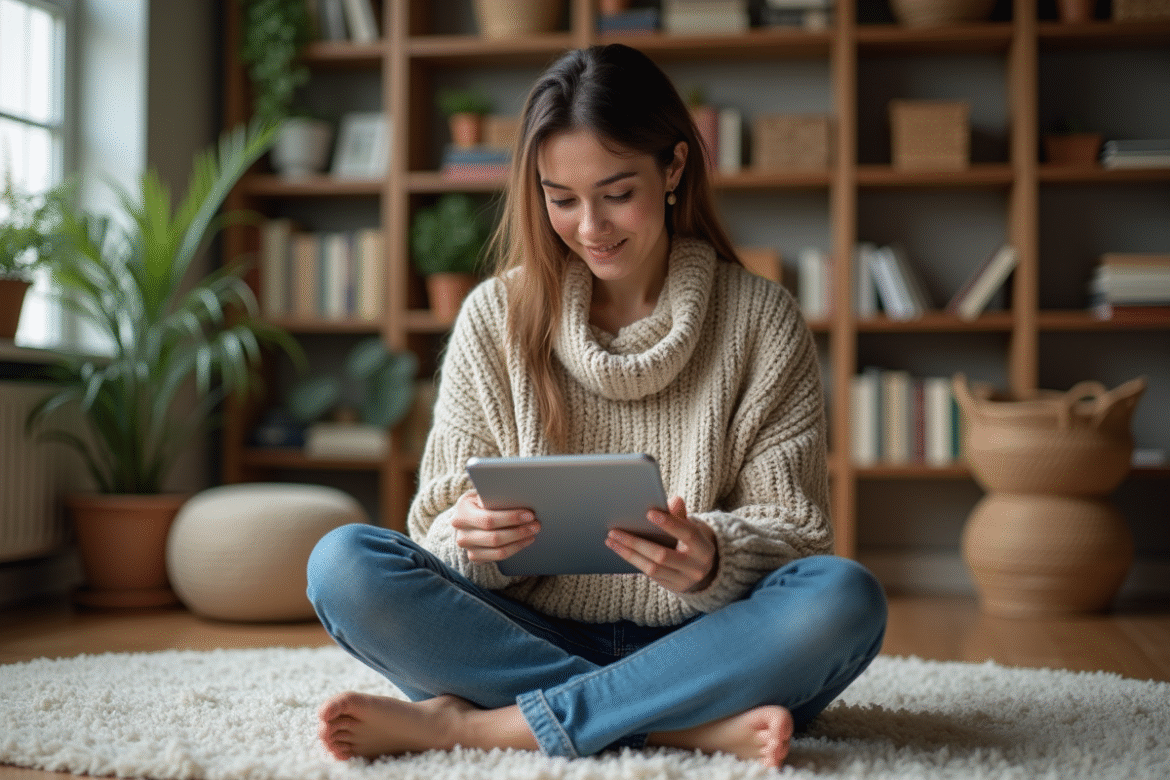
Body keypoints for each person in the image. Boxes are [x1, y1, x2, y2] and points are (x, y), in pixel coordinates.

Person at [306, 43, 887, 770]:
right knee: (344, 566)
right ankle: (681, 727)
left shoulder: (760, 319)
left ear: (674, 168)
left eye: (617, 193)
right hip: (526, 634)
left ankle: (489, 728)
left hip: (705, 642)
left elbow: (798, 533)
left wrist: (714, 559)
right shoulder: (495, 316)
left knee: (844, 599)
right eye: (562, 198)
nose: (591, 227)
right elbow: (433, 530)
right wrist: (474, 540)